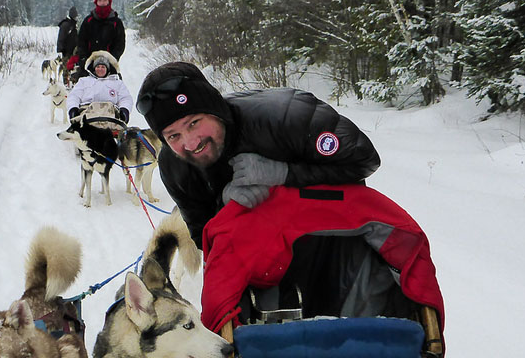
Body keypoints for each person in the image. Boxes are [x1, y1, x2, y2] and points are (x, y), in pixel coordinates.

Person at [135, 62, 381, 248]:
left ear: (215, 110)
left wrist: (284, 174)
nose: (190, 143)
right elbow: (205, 238)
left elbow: (364, 159)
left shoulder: (285, 116)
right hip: (261, 255)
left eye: (194, 123)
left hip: (335, 236)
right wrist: (225, 206)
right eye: (173, 136)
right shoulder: (174, 165)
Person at [66, 0, 125, 81]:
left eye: (105, 0)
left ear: (109, 2)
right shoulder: (88, 21)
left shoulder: (116, 22)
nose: (102, 3)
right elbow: (81, 41)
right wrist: (83, 59)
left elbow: (120, 43)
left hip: (109, 63)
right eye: (100, 1)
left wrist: (113, 58)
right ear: (96, 2)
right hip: (89, 63)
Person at [66, 51, 133, 124]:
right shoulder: (84, 81)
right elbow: (74, 96)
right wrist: (73, 108)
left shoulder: (117, 83)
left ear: (107, 68)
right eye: (98, 67)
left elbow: (125, 98)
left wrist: (124, 110)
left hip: (111, 114)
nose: (100, 69)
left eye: (103, 67)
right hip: (87, 113)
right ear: (94, 68)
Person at [56, 6, 78, 85]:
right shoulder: (66, 25)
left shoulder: (74, 25)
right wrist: (60, 50)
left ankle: (72, 82)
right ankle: (66, 83)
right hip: (66, 51)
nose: (76, 17)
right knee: (66, 68)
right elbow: (61, 38)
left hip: (74, 51)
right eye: (75, 15)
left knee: (73, 68)